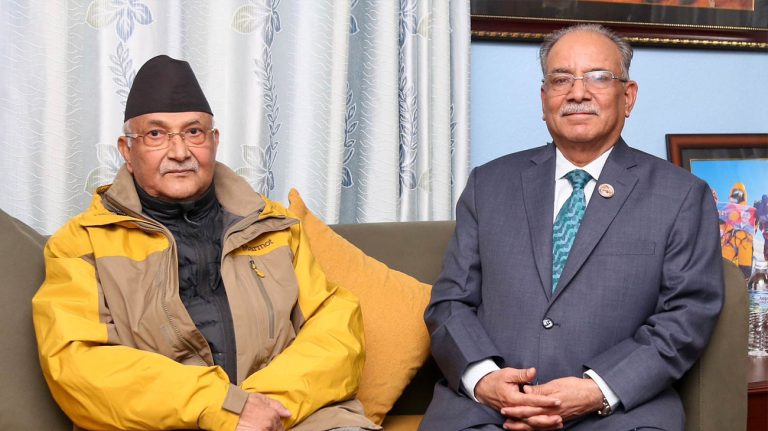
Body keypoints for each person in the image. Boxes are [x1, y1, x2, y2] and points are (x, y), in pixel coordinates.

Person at [32, 55, 378, 431]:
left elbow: (336, 330)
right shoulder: (81, 244)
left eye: (194, 132)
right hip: (164, 425)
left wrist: (262, 408)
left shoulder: (273, 226)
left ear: (214, 141)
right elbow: (78, 363)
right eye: (156, 134)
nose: (180, 152)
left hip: (291, 417)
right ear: (127, 151)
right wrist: (223, 407)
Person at [419, 24, 724, 430]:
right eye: (561, 79)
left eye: (598, 77)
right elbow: (450, 303)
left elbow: (687, 315)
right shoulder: (488, 184)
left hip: (617, 413)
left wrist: (597, 390)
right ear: (544, 98)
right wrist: (485, 380)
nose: (577, 93)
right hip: (488, 410)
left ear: (628, 97)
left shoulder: (681, 195)